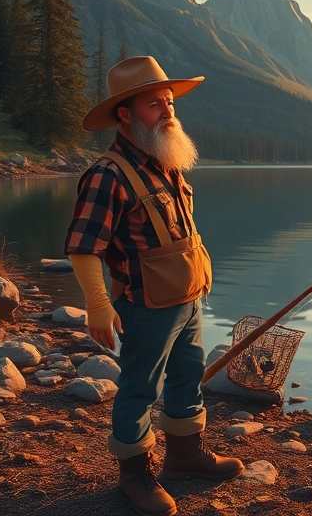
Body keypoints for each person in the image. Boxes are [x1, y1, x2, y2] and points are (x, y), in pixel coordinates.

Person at [65, 56, 243, 516]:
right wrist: (98, 305)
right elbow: (83, 248)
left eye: (169, 102)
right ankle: (134, 475)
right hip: (144, 306)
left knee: (188, 377)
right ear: (125, 115)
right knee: (139, 389)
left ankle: (184, 456)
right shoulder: (106, 175)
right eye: (154, 105)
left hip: (188, 298)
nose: (167, 112)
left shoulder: (166, 162)